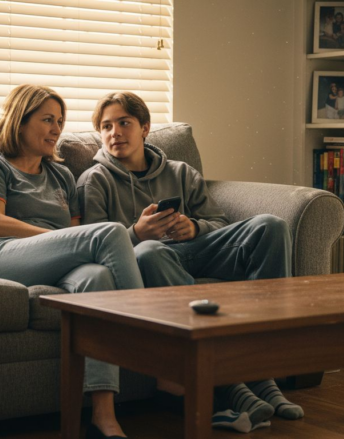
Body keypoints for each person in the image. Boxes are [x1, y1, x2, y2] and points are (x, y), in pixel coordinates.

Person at [77, 91, 303, 431]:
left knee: (270, 226)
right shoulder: (94, 181)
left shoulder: (181, 172)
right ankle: (228, 383)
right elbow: (92, 246)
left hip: (196, 250)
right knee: (149, 251)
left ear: (145, 129)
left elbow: (220, 224)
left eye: (124, 123)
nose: (114, 133)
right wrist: (137, 232)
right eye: (106, 126)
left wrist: (194, 226)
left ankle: (261, 373)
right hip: (150, 260)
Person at [0, 84, 143, 439]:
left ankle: (104, 418)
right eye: (47, 120)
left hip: (53, 260)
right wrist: (57, 240)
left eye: (60, 120)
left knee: (96, 279)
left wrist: (66, 243)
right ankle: (155, 338)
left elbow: (74, 235)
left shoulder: (60, 174)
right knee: (108, 233)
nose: (57, 129)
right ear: (20, 120)